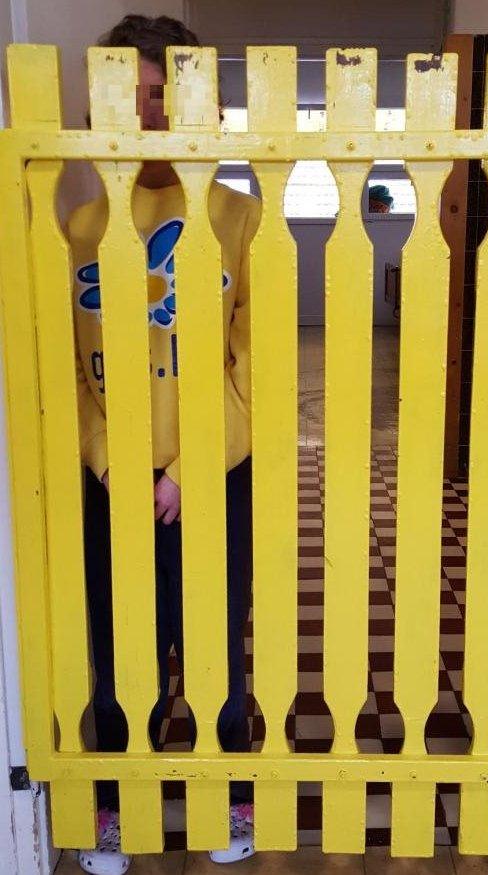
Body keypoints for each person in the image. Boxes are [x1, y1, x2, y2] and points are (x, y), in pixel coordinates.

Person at [67, 14, 261, 874]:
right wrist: (112, 460)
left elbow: (251, 369)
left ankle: (227, 800)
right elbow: (67, 373)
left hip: (214, 478)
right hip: (108, 482)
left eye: (167, 94)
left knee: (214, 641)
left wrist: (186, 470)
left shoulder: (238, 216)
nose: (150, 113)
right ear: (104, 97)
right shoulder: (75, 224)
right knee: (118, 647)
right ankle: (116, 807)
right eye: (136, 94)